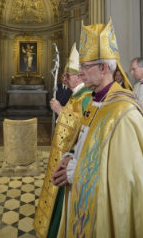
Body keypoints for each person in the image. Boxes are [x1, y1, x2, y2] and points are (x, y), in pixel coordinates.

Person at [51, 18, 143, 238]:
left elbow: (128, 182)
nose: (80, 73)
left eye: (84, 66)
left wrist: (77, 172)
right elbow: (84, 144)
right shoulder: (95, 102)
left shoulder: (125, 111)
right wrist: (69, 156)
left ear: (103, 68)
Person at [33, 43, 92, 238]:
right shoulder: (77, 96)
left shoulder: (86, 96)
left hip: (74, 160)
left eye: (68, 75)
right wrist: (63, 112)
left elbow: (83, 127)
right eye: (64, 75)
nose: (65, 79)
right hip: (66, 156)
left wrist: (61, 111)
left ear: (78, 76)